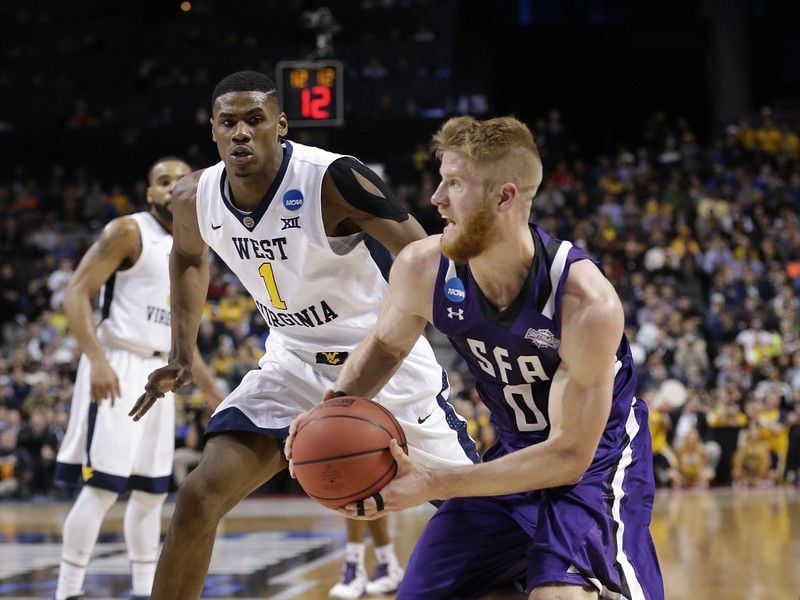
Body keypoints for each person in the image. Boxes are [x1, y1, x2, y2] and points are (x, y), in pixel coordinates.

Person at [130, 71, 477, 599]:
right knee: (199, 495)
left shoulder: (332, 178)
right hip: (292, 361)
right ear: (214, 133)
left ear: (281, 126)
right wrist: (180, 353)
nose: (241, 132)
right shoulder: (192, 196)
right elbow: (187, 256)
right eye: (229, 123)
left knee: (480, 513)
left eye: (254, 120)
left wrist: (445, 336)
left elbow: (424, 255)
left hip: (382, 359)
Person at [288, 116, 664, 599]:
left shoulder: (584, 301)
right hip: (514, 456)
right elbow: (385, 346)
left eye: (455, 184)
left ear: (504, 197)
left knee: (557, 596)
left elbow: (570, 457)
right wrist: (331, 412)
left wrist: (436, 481)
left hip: (598, 466)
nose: (436, 198)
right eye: (441, 180)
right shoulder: (423, 267)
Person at [53, 157, 225, 600]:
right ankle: (67, 591)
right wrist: (97, 361)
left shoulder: (194, 246)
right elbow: (76, 293)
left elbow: (188, 345)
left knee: (150, 494)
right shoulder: (128, 231)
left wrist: (213, 395)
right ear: (150, 193)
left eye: (180, 181)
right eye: (162, 182)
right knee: (102, 487)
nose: (171, 188)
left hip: (162, 374)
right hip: (118, 365)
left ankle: (145, 589)